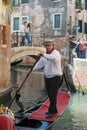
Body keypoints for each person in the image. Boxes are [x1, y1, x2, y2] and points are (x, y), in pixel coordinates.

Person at [33, 40, 63, 118]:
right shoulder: (45, 55)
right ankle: (54, 109)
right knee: (50, 94)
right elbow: (40, 63)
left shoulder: (56, 53)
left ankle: (51, 111)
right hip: (48, 77)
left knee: (52, 94)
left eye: (49, 46)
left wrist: (43, 54)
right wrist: (32, 69)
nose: (47, 47)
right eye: (46, 46)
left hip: (55, 77)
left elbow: (53, 59)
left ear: (52, 45)